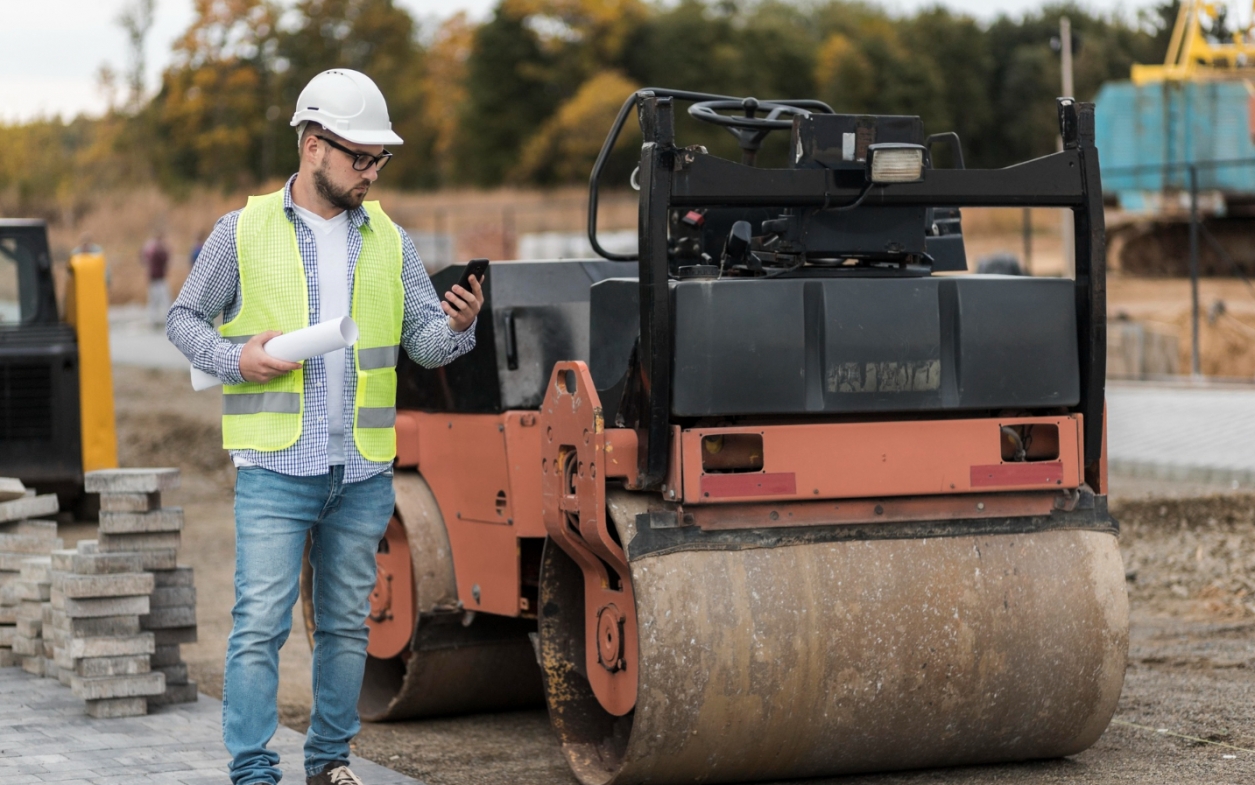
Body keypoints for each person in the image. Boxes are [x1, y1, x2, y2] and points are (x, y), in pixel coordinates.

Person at [167, 69, 484, 785]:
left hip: (363, 468)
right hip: (276, 464)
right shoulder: (240, 230)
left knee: (346, 626)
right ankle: (252, 771)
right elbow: (181, 318)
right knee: (259, 626)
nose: (372, 172)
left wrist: (457, 327)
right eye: (360, 157)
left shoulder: (390, 240)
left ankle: (329, 764)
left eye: (380, 160)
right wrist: (233, 357)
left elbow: (422, 343)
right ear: (313, 146)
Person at [141, 231, 170, 326]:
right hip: (156, 279)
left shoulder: (150, 249)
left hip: (157, 278)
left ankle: (157, 318)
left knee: (160, 300)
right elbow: (164, 258)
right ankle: (154, 319)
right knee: (159, 300)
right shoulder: (155, 250)